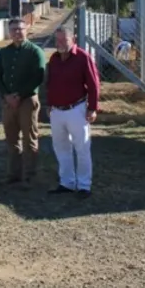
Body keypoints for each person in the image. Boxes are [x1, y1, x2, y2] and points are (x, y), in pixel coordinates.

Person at [46, 27, 100, 199]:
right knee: (61, 148)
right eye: (57, 40)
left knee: (82, 148)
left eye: (64, 40)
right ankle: (67, 182)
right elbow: (50, 83)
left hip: (76, 110)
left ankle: (84, 185)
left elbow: (93, 85)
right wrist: (49, 104)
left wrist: (92, 108)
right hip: (57, 111)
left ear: (73, 39)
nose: (60, 43)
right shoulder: (54, 59)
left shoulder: (83, 58)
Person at [0, 17, 46, 185]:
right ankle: (13, 174)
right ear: (9, 32)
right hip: (8, 101)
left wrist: (19, 96)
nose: (17, 32)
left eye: (20, 29)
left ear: (26, 30)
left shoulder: (34, 51)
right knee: (11, 138)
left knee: (29, 138)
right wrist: (6, 95)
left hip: (27, 100)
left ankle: (29, 175)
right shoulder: (4, 52)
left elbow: (38, 76)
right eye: (13, 29)